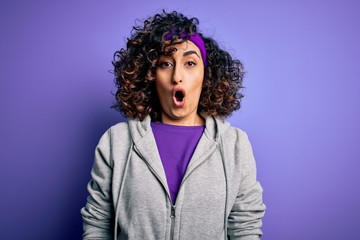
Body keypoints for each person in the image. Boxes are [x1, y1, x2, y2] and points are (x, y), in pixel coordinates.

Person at [81, 10, 266, 240]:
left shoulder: (234, 145)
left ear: (206, 76)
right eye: (166, 63)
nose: (177, 75)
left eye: (190, 63)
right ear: (150, 75)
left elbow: (245, 229)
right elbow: (97, 226)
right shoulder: (116, 142)